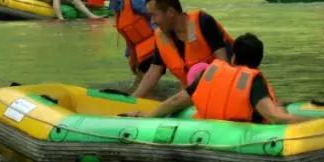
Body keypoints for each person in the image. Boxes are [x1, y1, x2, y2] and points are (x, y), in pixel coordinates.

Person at [125, 33, 312, 124]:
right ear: (258, 62)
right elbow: (274, 116)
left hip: (210, 129)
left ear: (233, 57)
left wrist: (148, 116)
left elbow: (175, 101)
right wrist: (317, 123)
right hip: (243, 136)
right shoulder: (253, 81)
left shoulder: (210, 73)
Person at [140, 0, 234, 94]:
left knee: (173, 103)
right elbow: (153, 72)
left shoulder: (203, 22)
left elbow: (224, 65)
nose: (152, 21)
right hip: (192, 93)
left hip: (218, 88)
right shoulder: (161, 36)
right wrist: (133, 99)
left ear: (170, 12)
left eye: (154, 15)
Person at [96, 0, 159, 92]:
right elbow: (131, 35)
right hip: (147, 50)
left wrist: (163, 42)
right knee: (139, 86)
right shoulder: (122, 2)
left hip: (157, 46)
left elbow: (159, 13)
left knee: (140, 88)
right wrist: (132, 56)